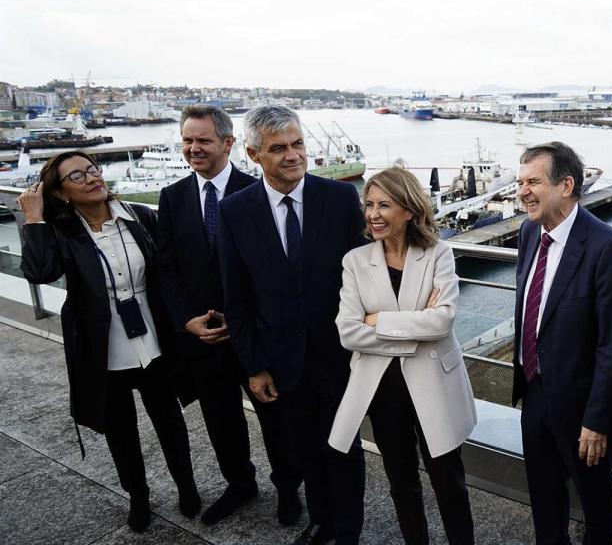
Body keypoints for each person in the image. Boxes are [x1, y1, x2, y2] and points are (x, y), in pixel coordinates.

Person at [17, 151, 199, 532]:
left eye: (92, 169)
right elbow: (40, 272)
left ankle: (187, 485)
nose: (91, 178)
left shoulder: (140, 217)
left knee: (169, 420)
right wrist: (33, 218)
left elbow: (170, 270)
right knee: (120, 430)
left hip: (153, 338)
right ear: (61, 193)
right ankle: (138, 496)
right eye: (77, 176)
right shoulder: (62, 233)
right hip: (102, 345)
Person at [218, 105, 366, 545]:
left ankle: (349, 533)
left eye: (298, 143)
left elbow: (366, 275)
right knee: (306, 448)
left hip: (340, 354)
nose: (293, 155)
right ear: (253, 154)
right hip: (281, 360)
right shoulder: (234, 211)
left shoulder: (340, 199)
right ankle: (320, 522)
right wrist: (254, 366)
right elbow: (236, 298)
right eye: (279, 148)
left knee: (345, 446)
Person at [156, 104, 302, 526]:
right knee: (220, 418)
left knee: (276, 419)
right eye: (187, 140)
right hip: (203, 337)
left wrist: (242, 321)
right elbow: (167, 268)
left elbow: (273, 270)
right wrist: (187, 320)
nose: (193, 148)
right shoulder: (172, 197)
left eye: (203, 140)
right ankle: (240, 483)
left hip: (254, 334)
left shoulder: (258, 193)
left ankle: (288, 487)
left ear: (228, 143)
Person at [328, 167, 477, 544]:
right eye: (369, 205)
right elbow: (348, 331)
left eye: (384, 205)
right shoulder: (355, 261)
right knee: (401, 484)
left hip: (434, 386)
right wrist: (416, 326)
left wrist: (378, 321)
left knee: (450, 484)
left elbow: (441, 322)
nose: (373, 214)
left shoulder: (439, 253)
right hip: (384, 391)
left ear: (409, 210)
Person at [511, 141, 612, 545]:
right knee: (544, 502)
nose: (522, 191)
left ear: (565, 185)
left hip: (583, 408)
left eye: (533, 182)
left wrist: (598, 421)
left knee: (596, 504)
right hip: (535, 393)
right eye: (520, 182)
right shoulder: (528, 232)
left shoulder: (607, 247)